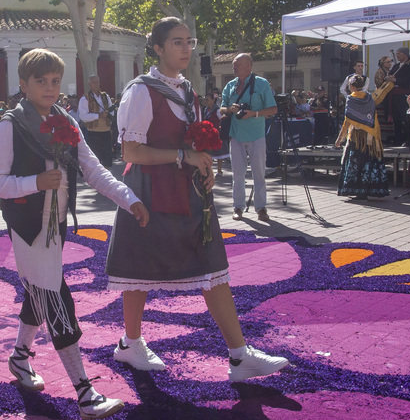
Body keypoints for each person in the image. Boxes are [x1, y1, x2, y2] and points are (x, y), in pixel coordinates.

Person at [107, 19, 288, 381]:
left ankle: (239, 355)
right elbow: (131, 151)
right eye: (177, 42)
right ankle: (131, 343)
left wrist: (202, 162)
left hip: (187, 189)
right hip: (150, 190)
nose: (186, 49)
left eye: (189, 41)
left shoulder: (188, 90)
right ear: (157, 49)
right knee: (138, 271)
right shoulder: (141, 91)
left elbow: (188, 143)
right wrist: (183, 157)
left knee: (212, 266)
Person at [0, 49, 149, 420]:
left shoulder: (66, 120)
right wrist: (34, 182)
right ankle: (84, 391)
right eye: (40, 81)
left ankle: (20, 356)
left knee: (40, 293)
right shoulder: (9, 126)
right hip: (28, 228)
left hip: (55, 226)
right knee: (55, 297)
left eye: (55, 81)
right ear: (23, 85)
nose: (49, 88)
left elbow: (93, 169)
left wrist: (129, 198)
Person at [220, 52, 277, 221]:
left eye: (237, 64)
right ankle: (238, 207)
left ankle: (261, 208)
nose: (234, 67)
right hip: (236, 135)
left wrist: (254, 113)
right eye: (233, 65)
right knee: (237, 174)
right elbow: (221, 108)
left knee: (259, 173)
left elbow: (273, 109)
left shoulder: (262, 84)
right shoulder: (230, 85)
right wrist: (230, 109)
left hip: (256, 135)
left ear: (248, 66)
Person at [333, 75, 392, 200]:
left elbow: (347, 121)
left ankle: (357, 190)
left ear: (353, 86)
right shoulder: (369, 99)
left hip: (356, 137)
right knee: (368, 163)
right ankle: (368, 190)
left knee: (356, 163)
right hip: (370, 136)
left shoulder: (351, 99)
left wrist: (340, 139)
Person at [78, 75, 115, 166]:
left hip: (106, 131)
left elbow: (112, 111)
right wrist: (98, 116)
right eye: (94, 82)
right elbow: (83, 116)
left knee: (107, 159)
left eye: (98, 82)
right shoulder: (85, 98)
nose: (97, 84)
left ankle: (106, 177)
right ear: (89, 84)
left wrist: (109, 115)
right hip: (93, 133)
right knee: (95, 159)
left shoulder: (105, 96)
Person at [390, 47, 410, 146]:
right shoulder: (396, 66)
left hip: (404, 95)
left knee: (406, 118)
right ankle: (398, 140)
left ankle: (409, 139)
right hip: (394, 96)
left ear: (405, 54)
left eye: (399, 54)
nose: (397, 56)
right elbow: (390, 75)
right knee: (396, 119)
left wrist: (396, 80)